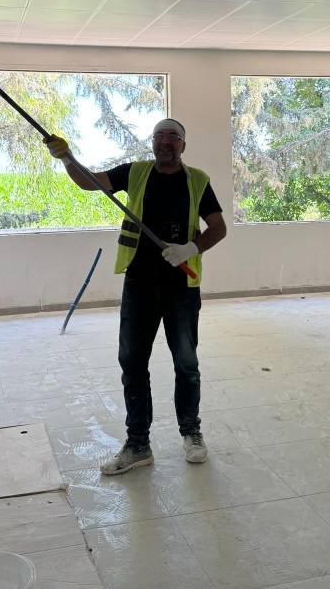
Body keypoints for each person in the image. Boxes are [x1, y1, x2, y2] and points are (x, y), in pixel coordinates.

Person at [44, 119, 227, 475]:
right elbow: (90, 182)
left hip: (181, 288)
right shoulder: (136, 172)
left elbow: (218, 228)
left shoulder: (198, 180)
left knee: (186, 364)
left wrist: (189, 248)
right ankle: (138, 444)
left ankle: (191, 433)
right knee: (132, 363)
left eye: (173, 137)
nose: (165, 142)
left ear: (183, 145)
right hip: (139, 284)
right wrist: (66, 158)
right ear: (152, 143)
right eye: (159, 136)